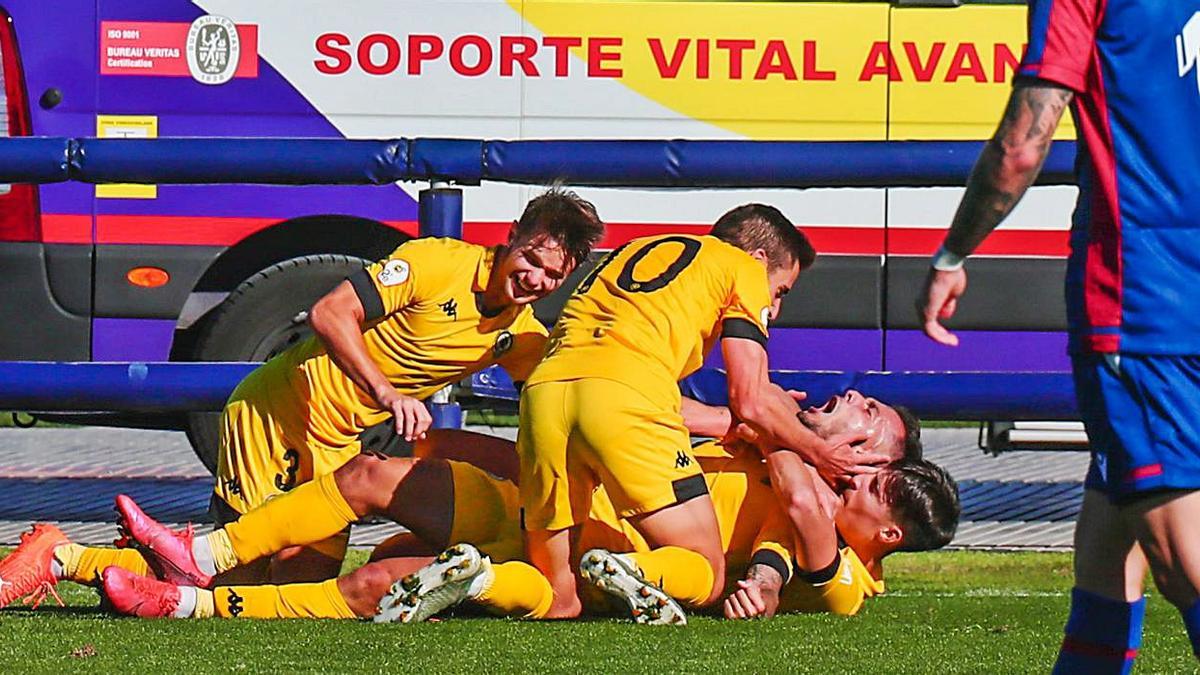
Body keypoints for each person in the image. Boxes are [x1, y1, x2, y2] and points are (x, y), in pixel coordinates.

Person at [0, 188, 604, 609]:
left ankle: (93, 561)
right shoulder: (434, 263)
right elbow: (328, 312)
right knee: (233, 577)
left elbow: (565, 402)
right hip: (276, 415)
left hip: (341, 445)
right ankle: (61, 557)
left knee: (296, 585)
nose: (536, 280)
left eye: (553, 276)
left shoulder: (523, 336)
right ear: (512, 239)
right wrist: (387, 393)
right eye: (531, 259)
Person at [94, 391, 945, 622]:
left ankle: (187, 598)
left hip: (568, 554)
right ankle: (196, 554)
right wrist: (747, 415)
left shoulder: (819, 529)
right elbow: (667, 415)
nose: (857, 405)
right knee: (369, 475)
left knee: (378, 583)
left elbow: (784, 529)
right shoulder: (782, 442)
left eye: (870, 434)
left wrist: (778, 427)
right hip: (545, 501)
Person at [913, 1, 1200, 670]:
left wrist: (953, 254)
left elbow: (1022, 144)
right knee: (1107, 549)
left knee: (1181, 557)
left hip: (1146, 302)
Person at [515, 203, 888, 624]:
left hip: (543, 393)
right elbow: (750, 398)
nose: (776, 308)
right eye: (780, 291)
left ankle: (481, 580)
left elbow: (612, 376)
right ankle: (634, 569)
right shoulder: (742, 268)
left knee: (559, 596)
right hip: (625, 399)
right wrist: (820, 454)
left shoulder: (638, 249)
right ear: (759, 259)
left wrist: (741, 420)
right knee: (706, 571)